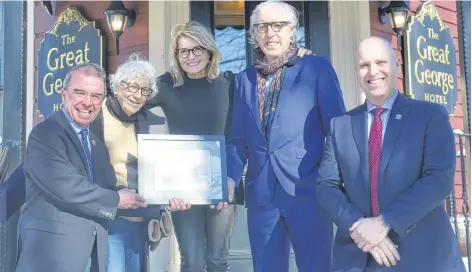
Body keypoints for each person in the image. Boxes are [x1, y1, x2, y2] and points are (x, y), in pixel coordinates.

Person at [316, 36, 465, 272]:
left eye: (381, 62)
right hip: (359, 256)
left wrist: (385, 223)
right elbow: (326, 185)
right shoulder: (340, 125)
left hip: (422, 255)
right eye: (364, 65)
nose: (372, 71)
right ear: (356, 70)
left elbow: (439, 180)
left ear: (396, 63)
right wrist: (358, 225)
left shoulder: (430, 116)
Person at [226, 1, 346, 271]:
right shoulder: (244, 80)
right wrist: (230, 178)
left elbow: (337, 130)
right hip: (262, 197)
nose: (271, 33)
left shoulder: (316, 68)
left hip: (309, 193)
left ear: (293, 30)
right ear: (254, 34)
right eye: (262, 27)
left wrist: (329, 179)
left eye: (278, 25)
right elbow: (238, 140)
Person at [16, 63, 147, 272]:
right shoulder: (45, 134)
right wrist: (116, 199)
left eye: (96, 96)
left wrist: (161, 199)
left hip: (91, 254)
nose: (88, 102)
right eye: (80, 93)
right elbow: (66, 186)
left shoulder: (96, 143)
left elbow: (106, 187)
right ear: (63, 94)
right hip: (52, 257)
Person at [90, 54, 191, 272]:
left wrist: (174, 194)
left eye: (145, 90)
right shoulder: (97, 117)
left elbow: (166, 170)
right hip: (110, 218)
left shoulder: (153, 122)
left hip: (141, 219)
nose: (138, 95)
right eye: (132, 87)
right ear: (117, 86)